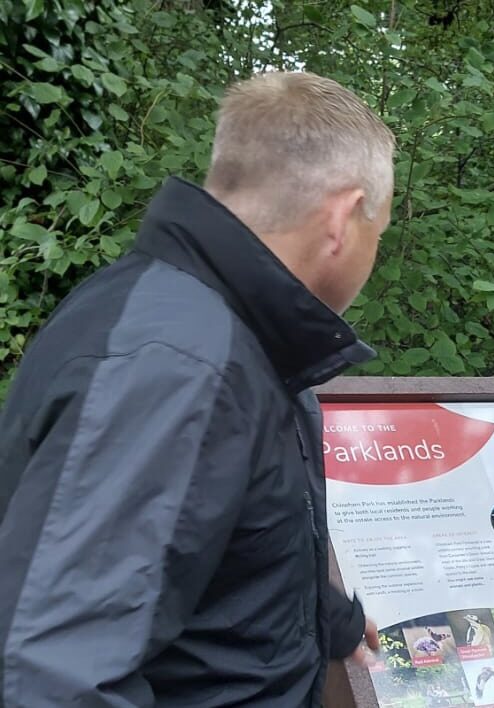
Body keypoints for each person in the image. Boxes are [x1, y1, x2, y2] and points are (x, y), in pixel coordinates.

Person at [0, 71, 395, 707]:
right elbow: (50, 678)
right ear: (343, 219)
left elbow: (214, 538)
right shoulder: (178, 367)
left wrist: (329, 618)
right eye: (379, 231)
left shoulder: (233, 335)